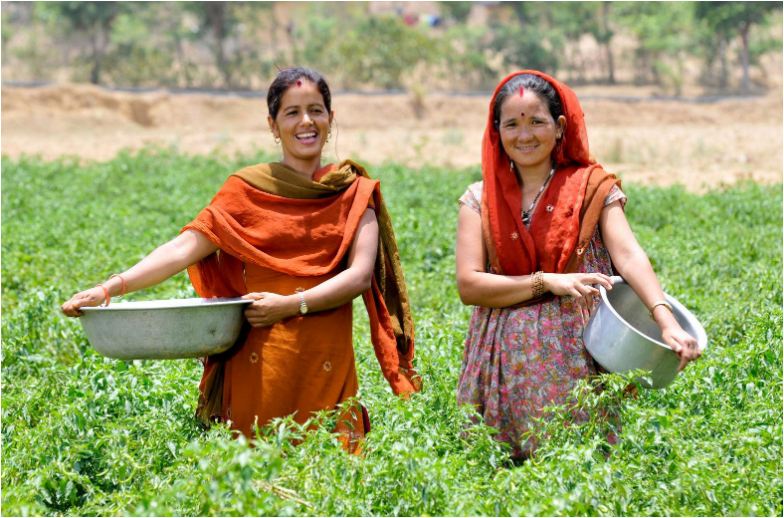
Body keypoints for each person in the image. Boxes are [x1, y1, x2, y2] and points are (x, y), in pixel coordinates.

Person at [62, 67, 421, 452]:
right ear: (272, 124)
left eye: (316, 110)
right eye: (291, 112)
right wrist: (109, 288)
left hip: (325, 362)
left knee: (331, 481)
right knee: (256, 484)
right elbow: (183, 248)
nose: (306, 122)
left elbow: (359, 278)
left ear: (331, 119)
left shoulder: (353, 193)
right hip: (261, 362)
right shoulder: (245, 191)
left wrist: (290, 305)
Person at [454, 70, 701, 459]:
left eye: (537, 121)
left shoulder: (592, 188)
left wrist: (665, 319)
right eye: (512, 124)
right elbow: (469, 285)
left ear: (560, 127)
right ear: (496, 131)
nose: (525, 135)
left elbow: (629, 254)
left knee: (581, 467)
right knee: (500, 474)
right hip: (499, 363)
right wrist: (544, 282)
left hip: (578, 359)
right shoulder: (478, 199)